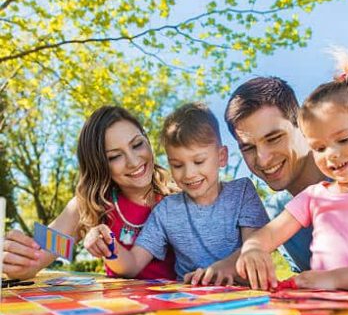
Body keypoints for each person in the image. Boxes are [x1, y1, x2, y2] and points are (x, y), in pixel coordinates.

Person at [191, 56, 348, 286]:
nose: (263, 159)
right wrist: (232, 263)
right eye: (248, 148)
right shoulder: (284, 206)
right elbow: (265, 238)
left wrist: (335, 279)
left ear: (303, 128)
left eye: (274, 138)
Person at [84, 103, 268, 282]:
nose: (189, 174)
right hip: (189, 302)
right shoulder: (165, 210)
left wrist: (222, 268)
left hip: (245, 299)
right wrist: (108, 246)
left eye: (199, 161)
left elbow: (256, 244)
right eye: (177, 165)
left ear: (221, 157)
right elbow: (132, 264)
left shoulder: (242, 192)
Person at [3, 106, 177, 280]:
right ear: (99, 165)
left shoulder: (182, 197)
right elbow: (34, 258)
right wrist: (15, 259)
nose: (133, 161)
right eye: (114, 156)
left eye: (137, 144)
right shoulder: (88, 207)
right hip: (122, 306)